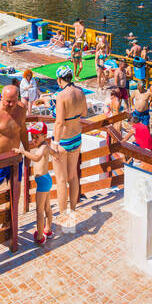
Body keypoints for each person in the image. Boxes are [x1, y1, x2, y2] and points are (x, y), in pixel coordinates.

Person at [52, 66, 87, 224]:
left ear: (60, 79)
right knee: (73, 177)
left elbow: (59, 122)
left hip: (63, 140)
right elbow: (84, 113)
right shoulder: (80, 92)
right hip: (76, 137)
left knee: (61, 180)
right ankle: (72, 209)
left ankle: (62, 214)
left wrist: (55, 143)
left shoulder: (61, 96)